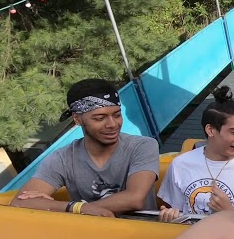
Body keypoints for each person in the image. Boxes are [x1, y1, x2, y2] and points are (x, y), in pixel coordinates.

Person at [12, 78, 159, 217]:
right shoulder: (63, 158)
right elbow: (20, 202)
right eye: (99, 118)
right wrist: (78, 208)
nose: (112, 124)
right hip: (88, 234)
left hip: (141, 231)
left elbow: (135, 198)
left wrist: (80, 208)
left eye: (116, 115)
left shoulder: (143, 146)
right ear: (77, 119)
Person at [158, 86, 234, 221]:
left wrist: (229, 212)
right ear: (211, 130)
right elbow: (173, 209)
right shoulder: (180, 164)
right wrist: (169, 216)